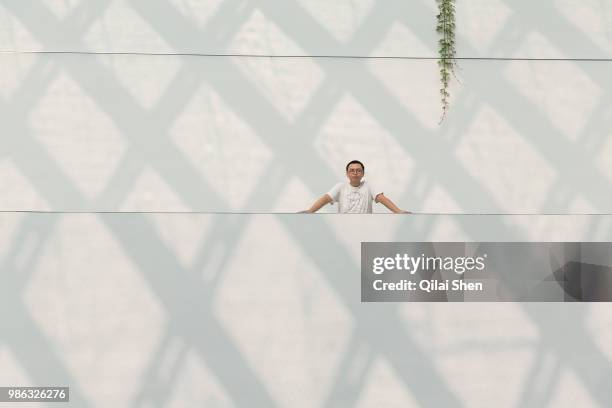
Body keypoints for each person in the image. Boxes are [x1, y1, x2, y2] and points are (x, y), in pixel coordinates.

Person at [300, 160, 411, 214]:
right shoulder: (340, 187)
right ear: (347, 173)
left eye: (358, 170)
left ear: (362, 173)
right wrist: (310, 211)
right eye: (352, 170)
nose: (355, 173)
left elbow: (382, 199)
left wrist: (399, 212)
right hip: (344, 227)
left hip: (365, 226)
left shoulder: (369, 186)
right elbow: (326, 198)